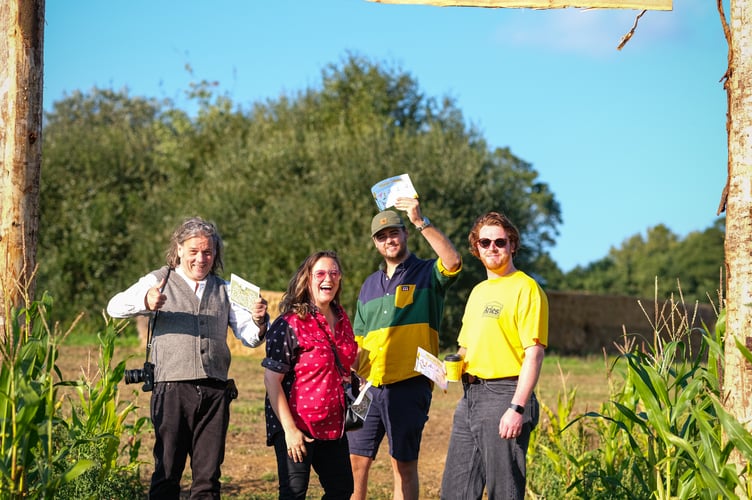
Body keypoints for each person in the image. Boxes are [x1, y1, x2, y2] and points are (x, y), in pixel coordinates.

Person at [106, 216, 269, 499]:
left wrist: (258, 321)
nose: (200, 258)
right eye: (193, 251)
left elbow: (249, 337)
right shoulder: (158, 280)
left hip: (215, 391)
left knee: (208, 479)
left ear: (215, 253)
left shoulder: (227, 289)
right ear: (179, 249)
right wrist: (145, 301)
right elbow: (114, 307)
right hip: (171, 389)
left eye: (207, 252)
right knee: (167, 473)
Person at [349, 197, 462, 500]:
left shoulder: (427, 273)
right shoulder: (368, 285)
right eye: (382, 236)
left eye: (394, 233)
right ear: (375, 243)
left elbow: (453, 262)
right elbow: (359, 336)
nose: (390, 240)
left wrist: (421, 221)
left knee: (403, 465)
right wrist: (353, 378)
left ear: (405, 234)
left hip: (409, 384)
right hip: (368, 387)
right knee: (355, 463)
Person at [440, 211, 549, 500]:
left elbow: (534, 353)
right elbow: (466, 347)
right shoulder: (478, 292)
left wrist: (517, 407)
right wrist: (447, 367)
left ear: (512, 244)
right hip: (470, 397)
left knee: (504, 492)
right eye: (484, 242)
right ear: (476, 248)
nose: (492, 248)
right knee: (455, 492)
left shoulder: (526, 288)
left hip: (505, 394)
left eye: (499, 242)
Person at [262, 250, 358, 500]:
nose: (329, 278)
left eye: (334, 273)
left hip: (333, 425)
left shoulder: (343, 318)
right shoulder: (290, 323)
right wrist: (290, 430)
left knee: (342, 489)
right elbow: (272, 380)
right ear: (307, 279)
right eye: (321, 273)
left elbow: (343, 363)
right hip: (298, 425)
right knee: (294, 493)